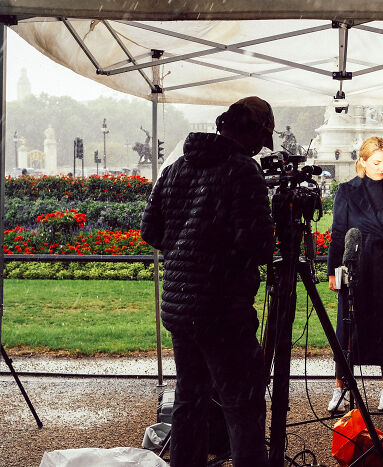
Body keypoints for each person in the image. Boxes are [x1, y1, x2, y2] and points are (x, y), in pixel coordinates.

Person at [141, 96, 275, 466]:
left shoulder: (177, 168)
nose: (256, 151)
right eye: (258, 142)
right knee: (243, 406)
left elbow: (150, 230)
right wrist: (218, 253)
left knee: (190, 400)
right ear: (248, 134)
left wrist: (188, 249)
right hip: (222, 311)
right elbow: (260, 246)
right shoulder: (242, 171)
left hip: (182, 309)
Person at [326, 136, 383, 413]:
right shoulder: (346, 191)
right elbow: (338, 233)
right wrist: (333, 270)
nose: (382, 168)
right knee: (347, 325)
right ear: (362, 161)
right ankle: (340, 387)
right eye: (377, 162)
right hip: (355, 265)